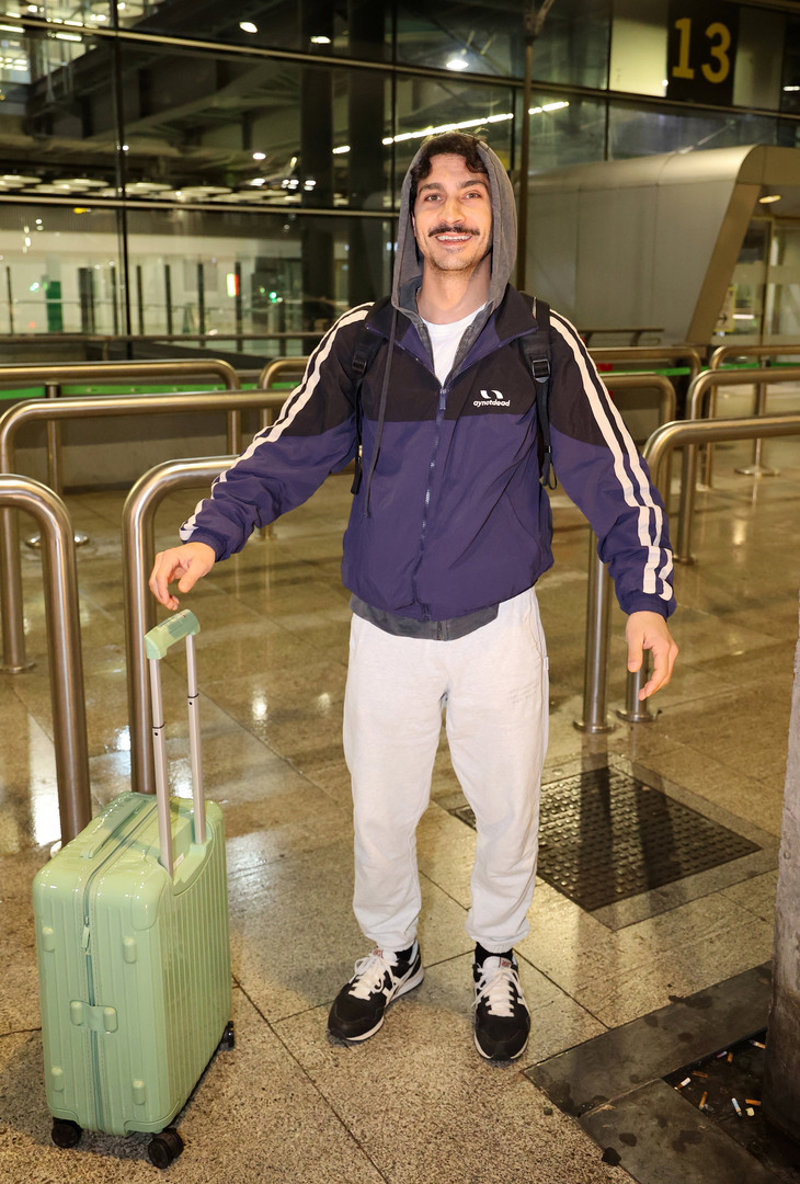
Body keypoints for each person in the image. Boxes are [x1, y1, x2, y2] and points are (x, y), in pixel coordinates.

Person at [149, 132, 678, 1063]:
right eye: (432, 196)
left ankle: (497, 953)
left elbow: (613, 473)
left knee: (508, 809)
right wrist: (208, 532)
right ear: (410, 218)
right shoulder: (364, 341)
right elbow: (287, 449)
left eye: (471, 194)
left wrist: (645, 596)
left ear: (497, 215)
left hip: (497, 630)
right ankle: (392, 952)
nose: (451, 212)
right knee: (383, 813)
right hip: (384, 632)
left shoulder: (539, 342)